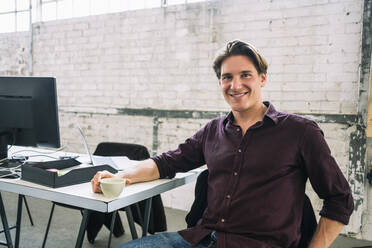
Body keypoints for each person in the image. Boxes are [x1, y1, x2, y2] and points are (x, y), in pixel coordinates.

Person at [91, 40, 354, 248]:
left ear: (262, 78)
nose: (235, 85)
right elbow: (166, 162)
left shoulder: (300, 131)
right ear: (220, 82)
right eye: (227, 77)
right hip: (202, 238)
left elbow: (339, 198)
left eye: (245, 75)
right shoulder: (213, 130)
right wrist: (119, 177)